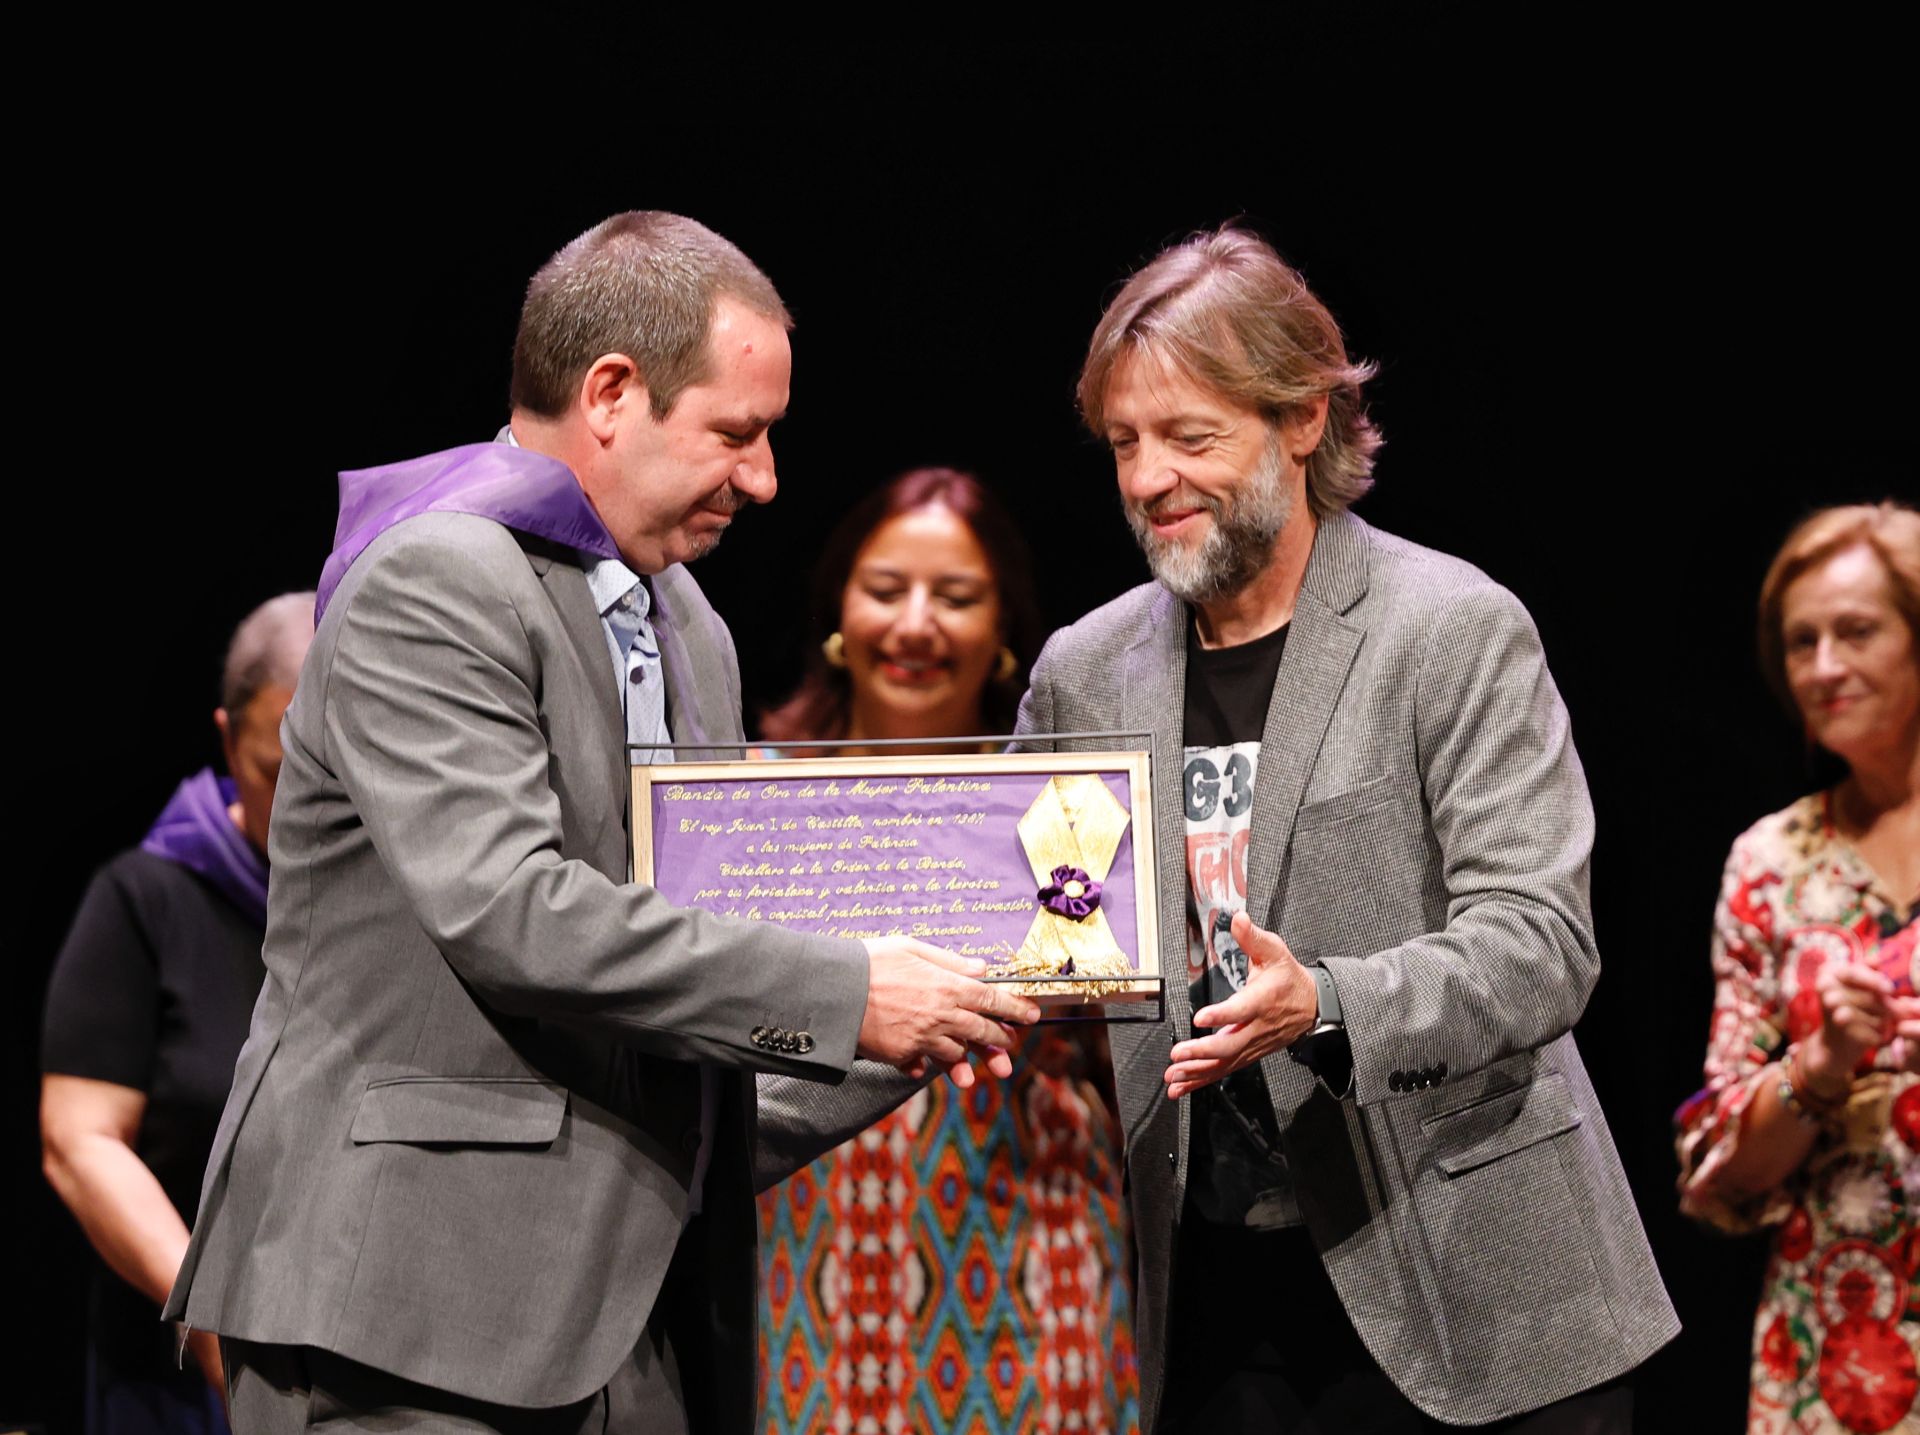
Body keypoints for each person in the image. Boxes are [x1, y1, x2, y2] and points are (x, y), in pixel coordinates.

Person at [162, 212, 1036, 1435]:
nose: (766, 478)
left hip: (630, 1320)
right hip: (411, 1307)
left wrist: (941, 1007)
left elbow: (700, 977)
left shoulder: (693, 629)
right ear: (613, 393)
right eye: (738, 432)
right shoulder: (436, 577)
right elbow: (510, 911)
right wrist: (852, 993)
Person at [1010, 227, 1678, 1431]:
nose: (1149, 477)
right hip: (1219, 1296)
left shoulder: (1450, 629)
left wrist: (1323, 1000)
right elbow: (1008, 930)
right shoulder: (1084, 674)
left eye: (1191, 436)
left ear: (1306, 421)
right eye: (1124, 443)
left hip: (1483, 1295)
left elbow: (1539, 943)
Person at [753, 469, 1139, 1435]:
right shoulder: (750, 801)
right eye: (887, 590)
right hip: (809, 1240)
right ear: (840, 608)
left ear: (1003, 625)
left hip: (1032, 1238)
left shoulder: (1068, 805)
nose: (916, 624)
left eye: (956, 597)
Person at [41, 591, 314, 1435]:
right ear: (229, 738)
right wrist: (205, 1322)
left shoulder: (393, 909)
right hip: (179, 1376)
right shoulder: (148, 899)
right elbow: (78, 1140)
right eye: (278, 772)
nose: (307, 805)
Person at [1676, 502, 1919, 1435]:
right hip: (1837, 1344)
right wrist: (1818, 1068)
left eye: (1856, 631)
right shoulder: (1771, 863)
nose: (1823, 666)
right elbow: (1721, 1175)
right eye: (1800, 640)